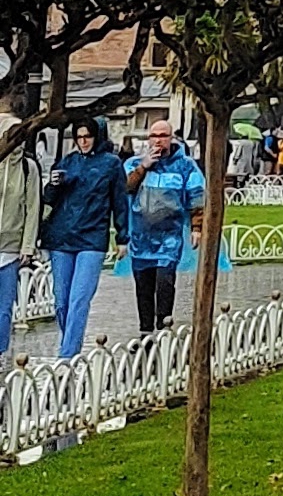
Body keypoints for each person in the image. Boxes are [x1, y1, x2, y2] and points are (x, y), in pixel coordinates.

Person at [42, 115, 128, 358]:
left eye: (87, 136)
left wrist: (123, 236)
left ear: (96, 136)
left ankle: (67, 354)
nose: (83, 141)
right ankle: (69, 341)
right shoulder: (67, 161)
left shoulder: (111, 164)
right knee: (61, 300)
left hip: (92, 238)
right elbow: (49, 199)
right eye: (79, 137)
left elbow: (120, 201)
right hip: (61, 237)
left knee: (80, 298)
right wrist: (53, 185)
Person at [124, 119, 204, 335]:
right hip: (141, 238)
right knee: (143, 286)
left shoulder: (186, 166)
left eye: (163, 136)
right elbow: (126, 187)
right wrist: (143, 167)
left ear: (171, 138)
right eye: (154, 136)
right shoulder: (134, 163)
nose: (158, 140)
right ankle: (146, 331)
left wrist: (197, 227)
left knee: (165, 282)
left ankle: (163, 327)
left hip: (170, 238)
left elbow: (196, 196)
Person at [0, 91, 39, 356]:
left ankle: (1, 354)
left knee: (4, 308)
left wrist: (27, 246)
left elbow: (33, 207)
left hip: (10, 249)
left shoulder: (28, 168)